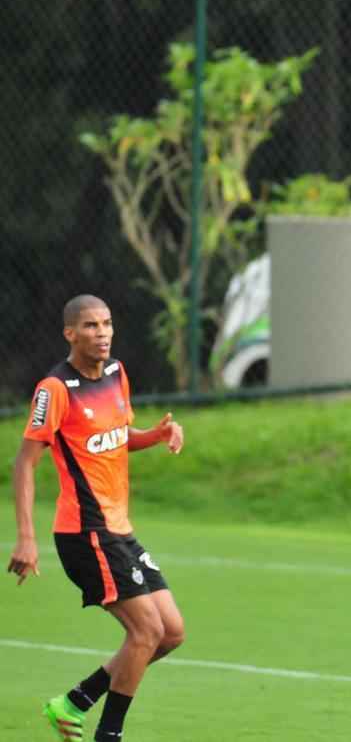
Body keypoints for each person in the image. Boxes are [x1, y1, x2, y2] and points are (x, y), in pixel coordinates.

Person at [7, 295, 186, 742]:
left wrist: (156, 434)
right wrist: (26, 538)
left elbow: (119, 435)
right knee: (146, 631)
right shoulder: (55, 390)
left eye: (107, 323)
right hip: (84, 533)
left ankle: (73, 703)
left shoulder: (115, 373)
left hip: (119, 530)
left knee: (170, 634)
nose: (102, 332)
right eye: (90, 326)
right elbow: (25, 462)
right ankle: (110, 736)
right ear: (70, 333)